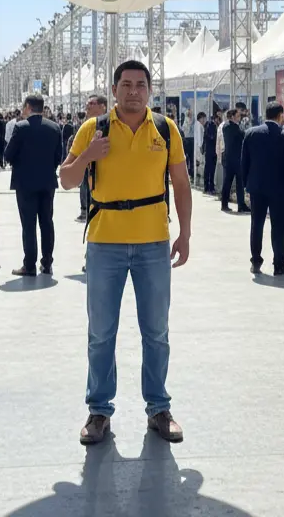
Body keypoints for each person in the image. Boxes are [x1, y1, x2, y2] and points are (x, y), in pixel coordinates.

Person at [61, 60, 191, 447]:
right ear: (114, 89)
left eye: (140, 84)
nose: (133, 91)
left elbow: (181, 184)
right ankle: (99, 410)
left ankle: (159, 409)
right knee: (101, 332)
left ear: (150, 90)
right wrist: (87, 157)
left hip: (154, 243)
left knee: (157, 332)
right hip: (105, 244)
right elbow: (66, 179)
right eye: (126, 84)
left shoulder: (165, 129)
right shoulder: (93, 129)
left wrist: (185, 234)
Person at [5, 94, 63, 277]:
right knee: (47, 222)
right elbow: (58, 157)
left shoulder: (20, 127)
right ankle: (47, 263)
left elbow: (8, 155)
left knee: (28, 225)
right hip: (47, 182)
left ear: (28, 107)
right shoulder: (54, 127)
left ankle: (29, 265)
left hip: (25, 183)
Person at [241, 103, 284, 276]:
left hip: (257, 187)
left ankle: (256, 262)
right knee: (278, 226)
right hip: (279, 188)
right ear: (280, 115)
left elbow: (244, 162)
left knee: (256, 224)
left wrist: (246, 185)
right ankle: (279, 264)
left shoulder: (251, 133)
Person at [75, 95, 108, 224]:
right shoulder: (86, 124)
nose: (87, 106)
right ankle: (85, 210)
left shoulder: (109, 123)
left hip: (103, 164)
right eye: (87, 103)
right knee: (84, 186)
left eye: (92, 103)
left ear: (102, 106)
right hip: (86, 162)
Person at [220, 109, 249, 213]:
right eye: (237, 116)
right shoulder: (233, 127)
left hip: (229, 159)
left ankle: (225, 203)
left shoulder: (226, 126)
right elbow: (243, 135)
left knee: (228, 182)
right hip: (235, 159)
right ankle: (240, 205)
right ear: (232, 116)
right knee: (236, 183)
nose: (239, 118)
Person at [202, 111, 219, 195]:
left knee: (209, 169)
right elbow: (211, 137)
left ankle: (208, 187)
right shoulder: (211, 125)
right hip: (211, 151)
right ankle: (209, 187)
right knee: (210, 169)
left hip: (210, 151)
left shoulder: (209, 125)